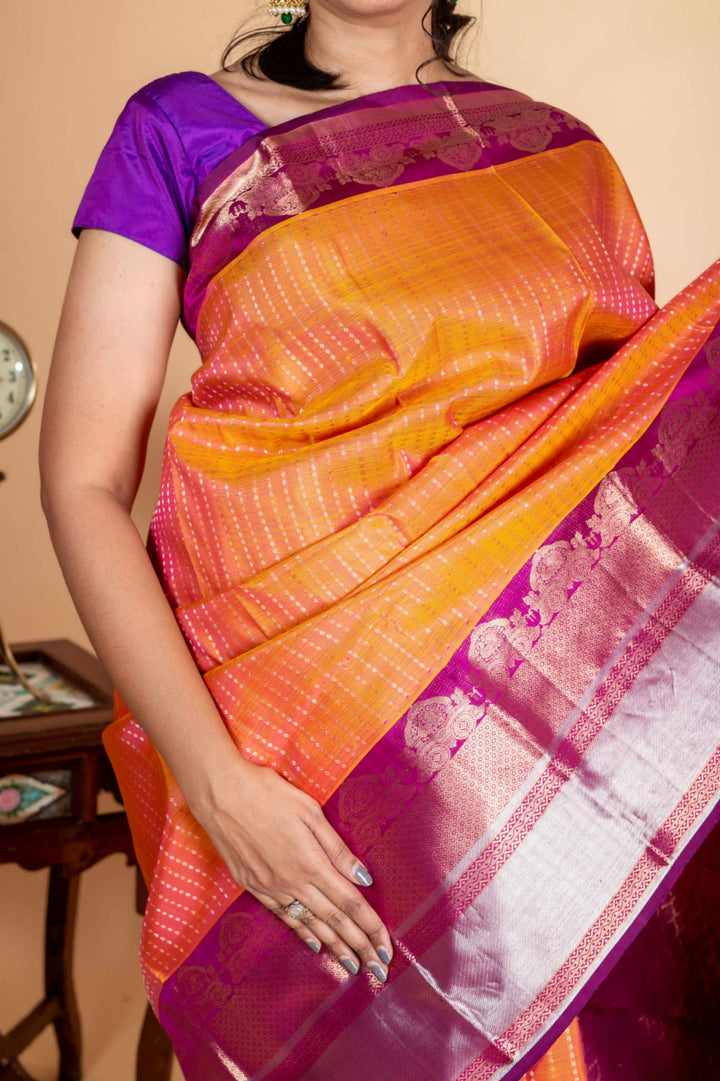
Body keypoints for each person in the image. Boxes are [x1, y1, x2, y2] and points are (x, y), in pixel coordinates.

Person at [39, 0, 720, 1077]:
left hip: (554, 777)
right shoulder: (181, 131)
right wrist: (216, 784)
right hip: (310, 775)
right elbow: (81, 482)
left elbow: (633, 466)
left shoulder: (561, 152)